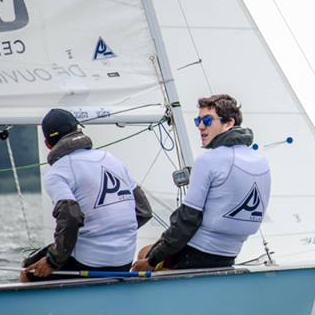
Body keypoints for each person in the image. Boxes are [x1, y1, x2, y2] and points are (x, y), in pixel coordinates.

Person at [132, 94, 271, 271]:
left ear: (229, 123)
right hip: (228, 255)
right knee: (154, 249)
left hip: (195, 254)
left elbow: (187, 219)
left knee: (143, 254)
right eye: (198, 121)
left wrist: (151, 261)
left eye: (207, 120)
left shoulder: (208, 161)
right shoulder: (261, 161)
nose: (201, 126)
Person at [22, 108, 152, 281]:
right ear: (78, 129)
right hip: (124, 260)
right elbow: (144, 211)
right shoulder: (112, 159)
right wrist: (113, 233)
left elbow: (70, 216)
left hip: (88, 262)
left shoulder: (56, 173)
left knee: (28, 269)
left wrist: (52, 261)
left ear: (47, 144)